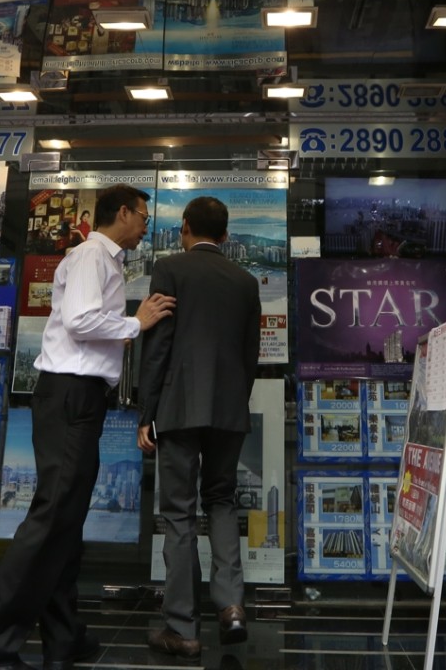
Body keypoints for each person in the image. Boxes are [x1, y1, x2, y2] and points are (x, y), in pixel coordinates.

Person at [0, 184, 175, 670]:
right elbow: (80, 320)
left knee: (65, 522)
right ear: (123, 212)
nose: (146, 225)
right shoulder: (95, 255)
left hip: (74, 397)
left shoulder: (99, 258)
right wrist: (136, 324)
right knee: (53, 518)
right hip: (72, 394)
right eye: (143, 216)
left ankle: (64, 635)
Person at [136, 196, 261, 661]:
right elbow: (250, 356)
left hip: (179, 407)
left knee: (179, 513)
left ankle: (181, 626)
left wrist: (146, 411)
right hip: (229, 410)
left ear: (185, 228)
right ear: (226, 236)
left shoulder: (170, 269)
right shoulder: (246, 282)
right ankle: (230, 606)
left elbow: (159, 346)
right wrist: (233, 402)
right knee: (222, 501)